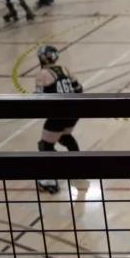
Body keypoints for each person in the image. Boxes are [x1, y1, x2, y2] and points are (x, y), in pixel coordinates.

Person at [34, 45, 84, 195]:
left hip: (58, 113)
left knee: (45, 146)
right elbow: (79, 90)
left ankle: (50, 181)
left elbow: (39, 99)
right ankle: (80, 168)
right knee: (65, 137)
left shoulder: (42, 74)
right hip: (73, 113)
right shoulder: (65, 69)